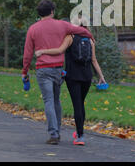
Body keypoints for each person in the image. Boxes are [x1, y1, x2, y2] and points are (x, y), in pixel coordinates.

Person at [22, 0, 94, 145]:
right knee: (56, 100)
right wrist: (90, 37)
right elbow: (82, 31)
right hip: (58, 69)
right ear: (52, 12)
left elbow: (28, 53)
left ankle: (54, 134)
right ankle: (58, 130)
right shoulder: (62, 25)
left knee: (48, 100)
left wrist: (25, 71)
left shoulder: (33, 29)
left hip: (43, 69)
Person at [35, 17, 106, 146]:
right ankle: (80, 132)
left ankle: (80, 136)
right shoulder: (90, 39)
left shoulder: (70, 37)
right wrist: (101, 76)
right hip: (87, 76)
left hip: (73, 76)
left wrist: (42, 51)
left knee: (77, 104)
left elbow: (59, 50)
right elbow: (94, 60)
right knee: (81, 104)